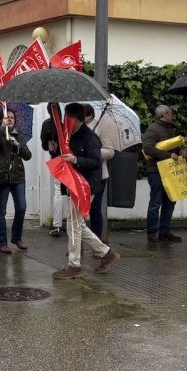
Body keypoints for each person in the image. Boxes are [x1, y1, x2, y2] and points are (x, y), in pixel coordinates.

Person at [52, 103, 120, 280]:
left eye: (67, 118)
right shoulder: (71, 135)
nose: (65, 121)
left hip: (85, 186)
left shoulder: (90, 138)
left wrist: (75, 159)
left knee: (74, 225)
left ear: (74, 119)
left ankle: (74, 265)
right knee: (77, 224)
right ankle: (106, 253)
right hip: (74, 184)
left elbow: (95, 162)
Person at [0, 107, 31, 254]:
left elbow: (28, 155)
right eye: (8, 117)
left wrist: (17, 146)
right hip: (2, 176)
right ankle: (2, 242)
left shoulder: (18, 135)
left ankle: (16, 237)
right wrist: (1, 128)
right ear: (2, 119)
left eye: (12, 117)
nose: (10, 119)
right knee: (1, 211)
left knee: (21, 207)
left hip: (18, 176)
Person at [142, 104, 185, 243]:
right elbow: (147, 148)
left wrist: (181, 153)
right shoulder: (152, 129)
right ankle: (152, 232)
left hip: (170, 171)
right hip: (156, 171)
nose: (173, 116)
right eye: (171, 113)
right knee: (156, 202)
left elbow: (175, 149)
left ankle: (165, 231)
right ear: (165, 114)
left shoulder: (170, 130)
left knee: (170, 201)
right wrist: (168, 155)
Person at [89, 101, 119, 244]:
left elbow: (110, 152)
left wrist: (91, 152)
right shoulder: (76, 128)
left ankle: (97, 242)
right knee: (78, 212)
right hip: (81, 173)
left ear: (88, 115)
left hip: (98, 174)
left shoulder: (103, 125)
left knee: (94, 208)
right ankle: (78, 245)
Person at [40, 110, 69, 237]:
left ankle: (57, 225)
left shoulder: (46, 124)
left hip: (56, 160)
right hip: (69, 159)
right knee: (69, 192)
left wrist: (50, 144)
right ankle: (72, 223)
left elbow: (44, 146)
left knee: (58, 191)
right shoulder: (64, 125)